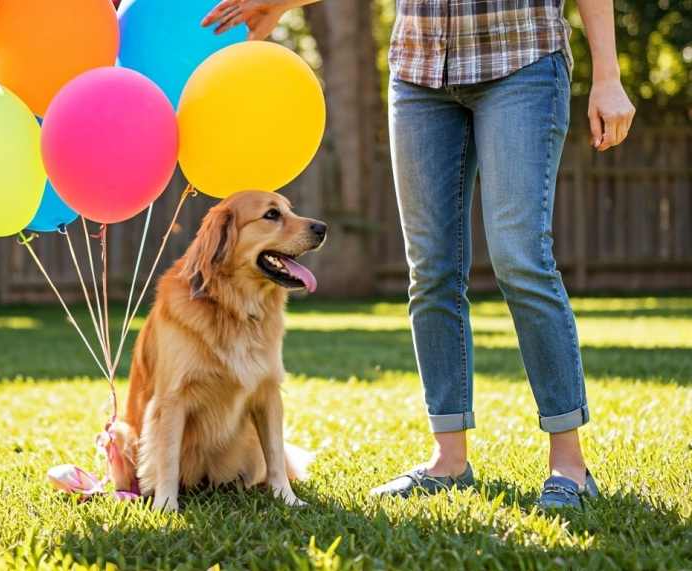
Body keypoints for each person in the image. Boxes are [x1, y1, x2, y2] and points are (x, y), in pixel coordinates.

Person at [203, 0, 635, 509]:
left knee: (521, 260)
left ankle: (569, 465)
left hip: (522, 57)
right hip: (420, 70)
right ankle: (449, 461)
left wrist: (607, 73)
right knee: (431, 270)